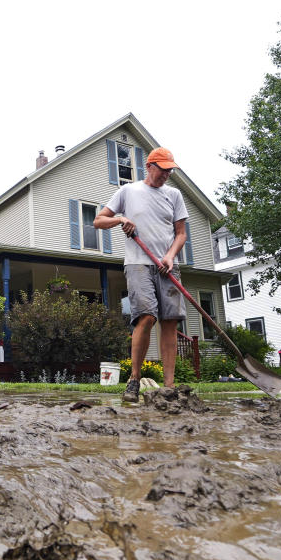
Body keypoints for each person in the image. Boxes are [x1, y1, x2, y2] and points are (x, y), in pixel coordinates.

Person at [94, 148, 188, 403]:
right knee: (146, 316)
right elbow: (98, 220)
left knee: (170, 322)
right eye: (163, 168)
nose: (167, 174)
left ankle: (168, 387)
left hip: (168, 265)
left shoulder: (174, 195)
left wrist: (170, 256)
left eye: (170, 170)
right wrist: (120, 219)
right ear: (149, 166)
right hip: (138, 263)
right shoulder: (128, 191)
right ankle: (134, 380)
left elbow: (181, 234)